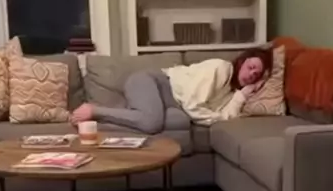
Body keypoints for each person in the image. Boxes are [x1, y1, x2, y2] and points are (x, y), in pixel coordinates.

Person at [70, 47, 272, 133]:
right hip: (153, 81)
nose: (251, 74)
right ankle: (94, 110)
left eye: (256, 75)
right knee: (152, 123)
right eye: (251, 67)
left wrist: (242, 95)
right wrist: (215, 118)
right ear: (242, 61)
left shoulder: (232, 94)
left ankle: (115, 116)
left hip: (169, 101)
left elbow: (228, 118)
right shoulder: (222, 68)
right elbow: (192, 106)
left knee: (175, 121)